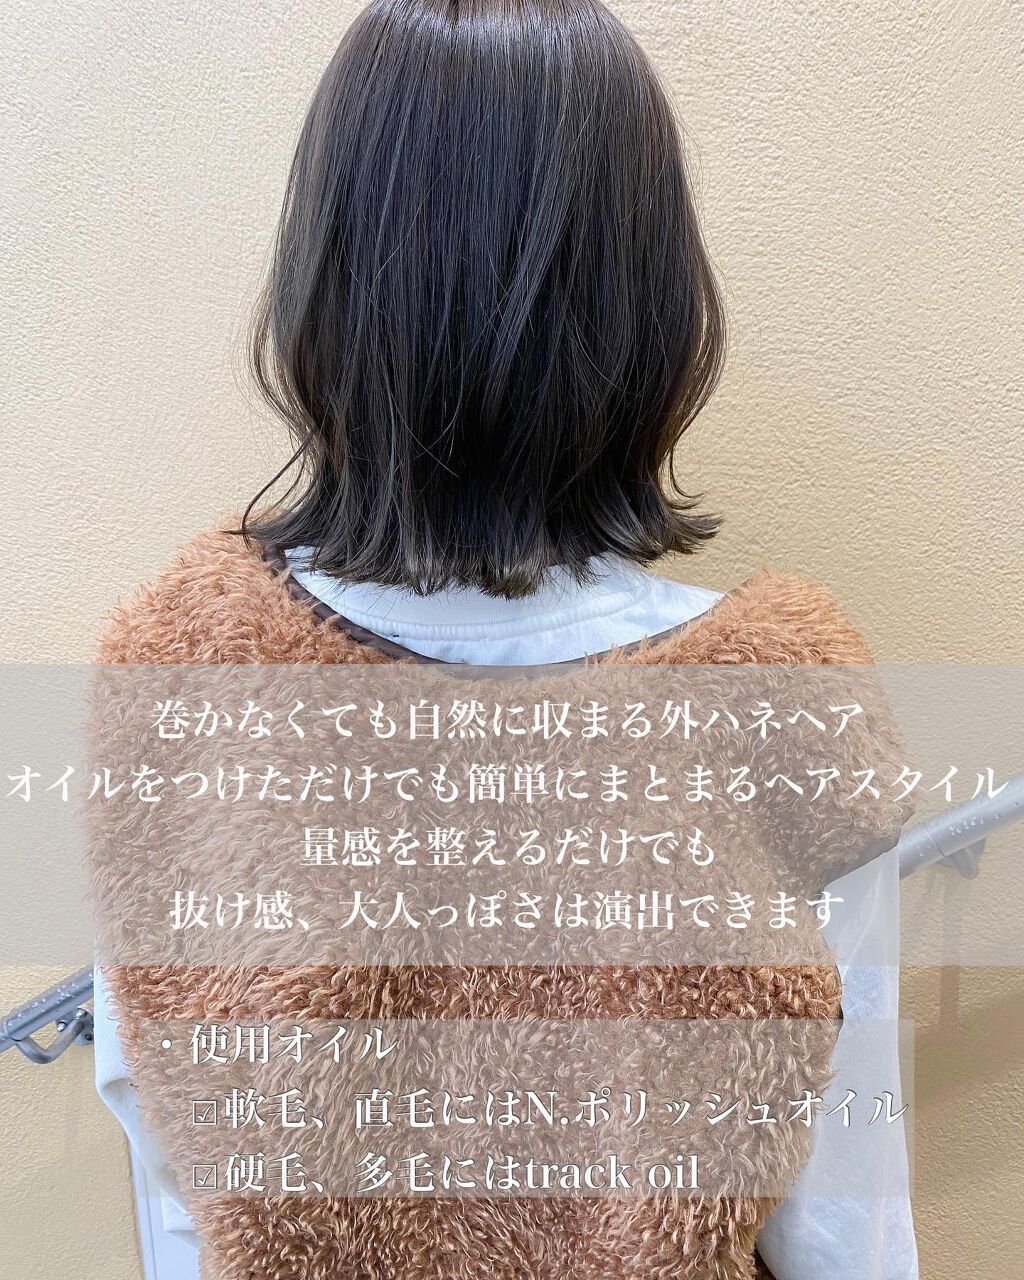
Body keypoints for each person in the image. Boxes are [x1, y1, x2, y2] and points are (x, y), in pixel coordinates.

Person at [92, 2, 917, 1277]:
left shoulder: (181, 671)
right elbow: (844, 1212)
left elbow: (178, 1179)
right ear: (648, 293)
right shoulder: (779, 701)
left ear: (330, 276)